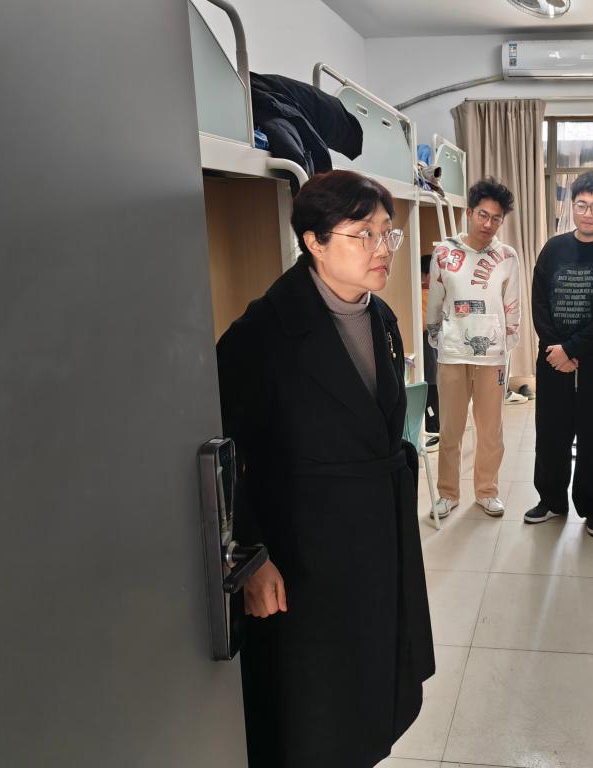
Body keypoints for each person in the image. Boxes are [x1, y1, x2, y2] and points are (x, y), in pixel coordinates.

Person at [216, 170, 435, 767]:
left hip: (377, 537)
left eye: (387, 233)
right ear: (313, 241)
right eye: (364, 234)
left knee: (372, 686)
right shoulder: (261, 334)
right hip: (305, 552)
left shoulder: (381, 318)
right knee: (316, 704)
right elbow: (225, 457)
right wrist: (250, 556)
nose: (382, 249)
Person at [524, 170, 593, 537]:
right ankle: (551, 501)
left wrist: (572, 349)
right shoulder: (553, 248)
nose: (588, 213)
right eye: (582, 205)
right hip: (553, 356)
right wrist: (556, 348)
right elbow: (539, 302)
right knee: (551, 433)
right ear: (571, 206)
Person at [425, 178, 521, 519]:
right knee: (450, 428)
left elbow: (512, 305)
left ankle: (487, 491)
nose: (488, 224)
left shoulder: (507, 256)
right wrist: (437, 338)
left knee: (490, 430)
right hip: (453, 352)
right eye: (482, 215)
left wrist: (506, 345)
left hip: (492, 356)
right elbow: (435, 302)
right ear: (469, 213)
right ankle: (448, 493)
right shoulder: (444, 252)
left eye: (496, 218)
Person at [420, 254, 440, 451]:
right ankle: (435, 429)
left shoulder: (425, 296)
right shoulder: (435, 295)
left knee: (432, 395)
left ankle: (435, 430)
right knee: (434, 394)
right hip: (434, 357)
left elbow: (423, 324)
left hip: (431, 358)